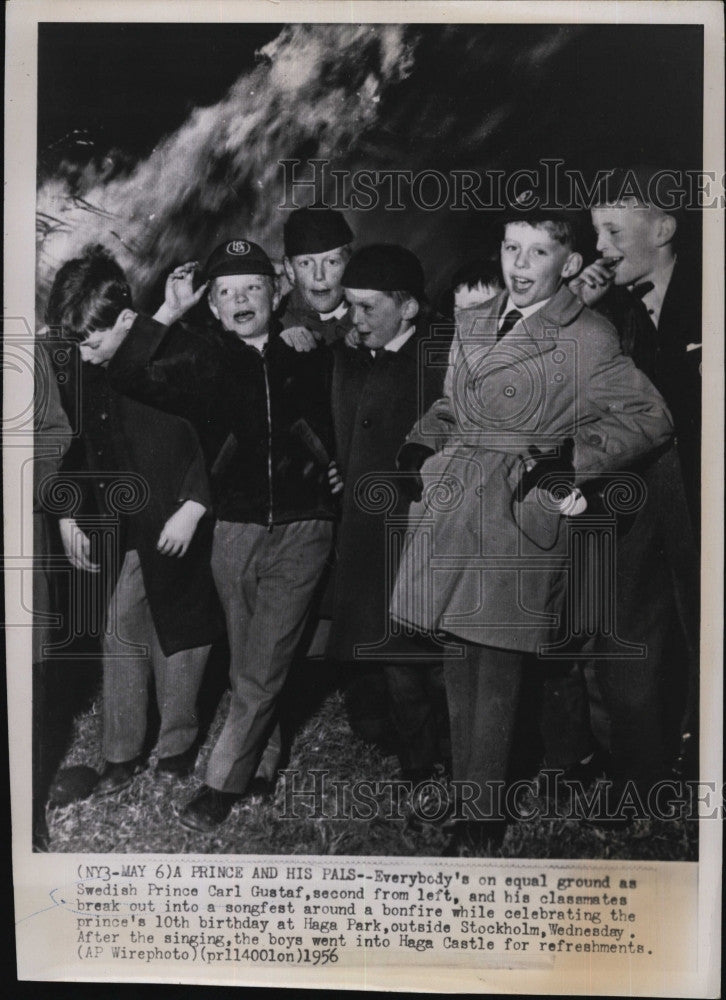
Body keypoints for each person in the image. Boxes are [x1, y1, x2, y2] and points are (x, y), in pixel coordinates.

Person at [389, 207, 674, 854]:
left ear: (569, 265)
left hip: (518, 515)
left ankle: (481, 819)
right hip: (455, 509)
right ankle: (477, 793)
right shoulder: (471, 323)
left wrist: (570, 458)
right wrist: (421, 443)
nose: (517, 265)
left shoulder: (589, 336)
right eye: (510, 248)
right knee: (458, 659)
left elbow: (649, 418)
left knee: (492, 665)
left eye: (537, 253)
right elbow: (452, 406)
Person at [107, 238, 339, 832]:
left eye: (252, 287)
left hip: (303, 525)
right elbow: (128, 373)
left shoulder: (310, 352)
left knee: (264, 660)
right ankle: (262, 760)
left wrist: (340, 465)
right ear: (211, 306)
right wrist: (169, 311)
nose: (239, 300)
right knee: (248, 656)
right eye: (225, 292)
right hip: (233, 528)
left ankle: (221, 782)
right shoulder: (202, 362)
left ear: (276, 293)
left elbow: (366, 380)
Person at [45, 245, 222, 798]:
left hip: (175, 521)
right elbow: (74, 444)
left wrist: (195, 505)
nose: (85, 353)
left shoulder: (175, 358)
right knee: (122, 629)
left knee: (182, 635)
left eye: (91, 340)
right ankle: (120, 753)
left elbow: (215, 437)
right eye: (74, 342)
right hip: (124, 529)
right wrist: (68, 515)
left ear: (125, 319)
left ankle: (176, 746)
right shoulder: (89, 366)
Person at [561, 165, 701, 787]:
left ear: (665, 227)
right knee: (631, 628)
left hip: (702, 494)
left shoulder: (711, 290)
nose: (601, 247)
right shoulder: (602, 309)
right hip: (633, 495)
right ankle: (640, 768)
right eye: (596, 232)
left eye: (613, 229)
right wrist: (573, 311)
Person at [325, 244, 452, 787]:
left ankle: (447, 759)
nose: (354, 319)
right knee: (390, 652)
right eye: (350, 306)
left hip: (420, 530)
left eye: (367, 307)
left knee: (428, 657)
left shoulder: (441, 360)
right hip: (366, 532)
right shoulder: (353, 353)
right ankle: (418, 759)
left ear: (409, 308)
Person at [279, 206, 355, 347]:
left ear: (350, 266)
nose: (319, 276)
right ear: (290, 269)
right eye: (306, 263)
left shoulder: (374, 322)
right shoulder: (273, 325)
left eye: (332, 262)